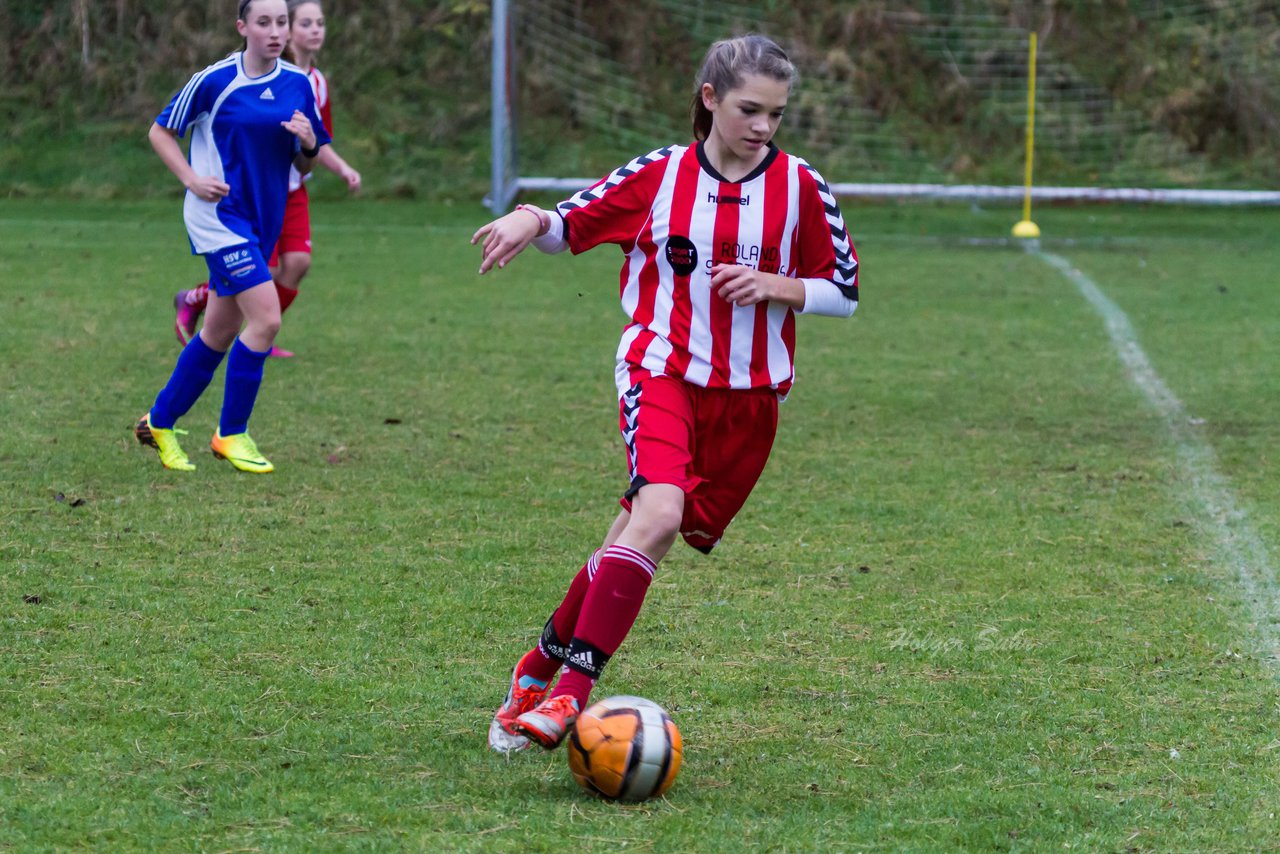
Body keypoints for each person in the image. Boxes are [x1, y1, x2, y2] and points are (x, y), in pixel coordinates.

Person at [472, 34, 860, 752]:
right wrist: (532, 217)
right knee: (657, 513)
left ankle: (534, 669)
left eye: (776, 114)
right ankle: (568, 697)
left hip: (748, 402)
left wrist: (778, 286)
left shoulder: (802, 187)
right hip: (662, 371)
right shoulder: (662, 174)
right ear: (710, 98)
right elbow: (572, 224)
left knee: (633, 536)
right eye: (749, 109)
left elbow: (844, 292)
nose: (763, 127)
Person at [134, 0, 330, 473]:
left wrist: (307, 143)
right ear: (242, 27)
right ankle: (232, 433)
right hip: (218, 217)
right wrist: (190, 179)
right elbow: (160, 132)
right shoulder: (215, 80)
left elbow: (306, 162)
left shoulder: (297, 84)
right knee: (266, 320)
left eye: (281, 22)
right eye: (263, 22)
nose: (275, 31)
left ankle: (159, 421)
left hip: (264, 220)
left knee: (218, 332)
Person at [172, 0, 360, 359]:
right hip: (247, 196)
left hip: (290, 189)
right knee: (265, 268)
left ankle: (258, 334)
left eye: (319, 23)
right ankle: (225, 314)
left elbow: (316, 143)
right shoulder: (239, 76)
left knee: (298, 264)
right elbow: (164, 129)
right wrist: (193, 178)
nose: (315, 30)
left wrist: (338, 166)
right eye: (306, 23)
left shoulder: (313, 84)